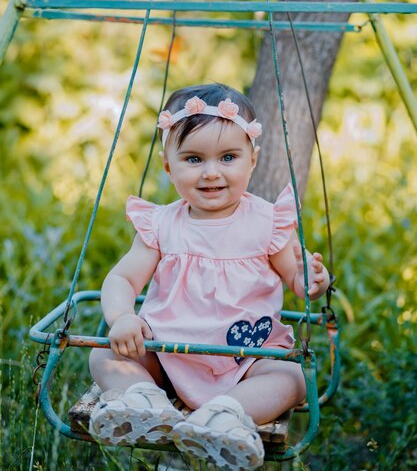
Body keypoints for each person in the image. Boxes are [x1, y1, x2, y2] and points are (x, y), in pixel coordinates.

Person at [89, 83, 330, 470]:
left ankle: (224, 416)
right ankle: (144, 404)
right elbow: (121, 280)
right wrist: (122, 318)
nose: (211, 173)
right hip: (168, 356)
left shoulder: (269, 222)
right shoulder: (160, 225)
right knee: (104, 357)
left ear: (253, 160)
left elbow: (298, 280)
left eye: (228, 157)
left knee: (291, 376)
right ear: (169, 165)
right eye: (194, 159)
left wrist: (313, 280)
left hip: (247, 358)